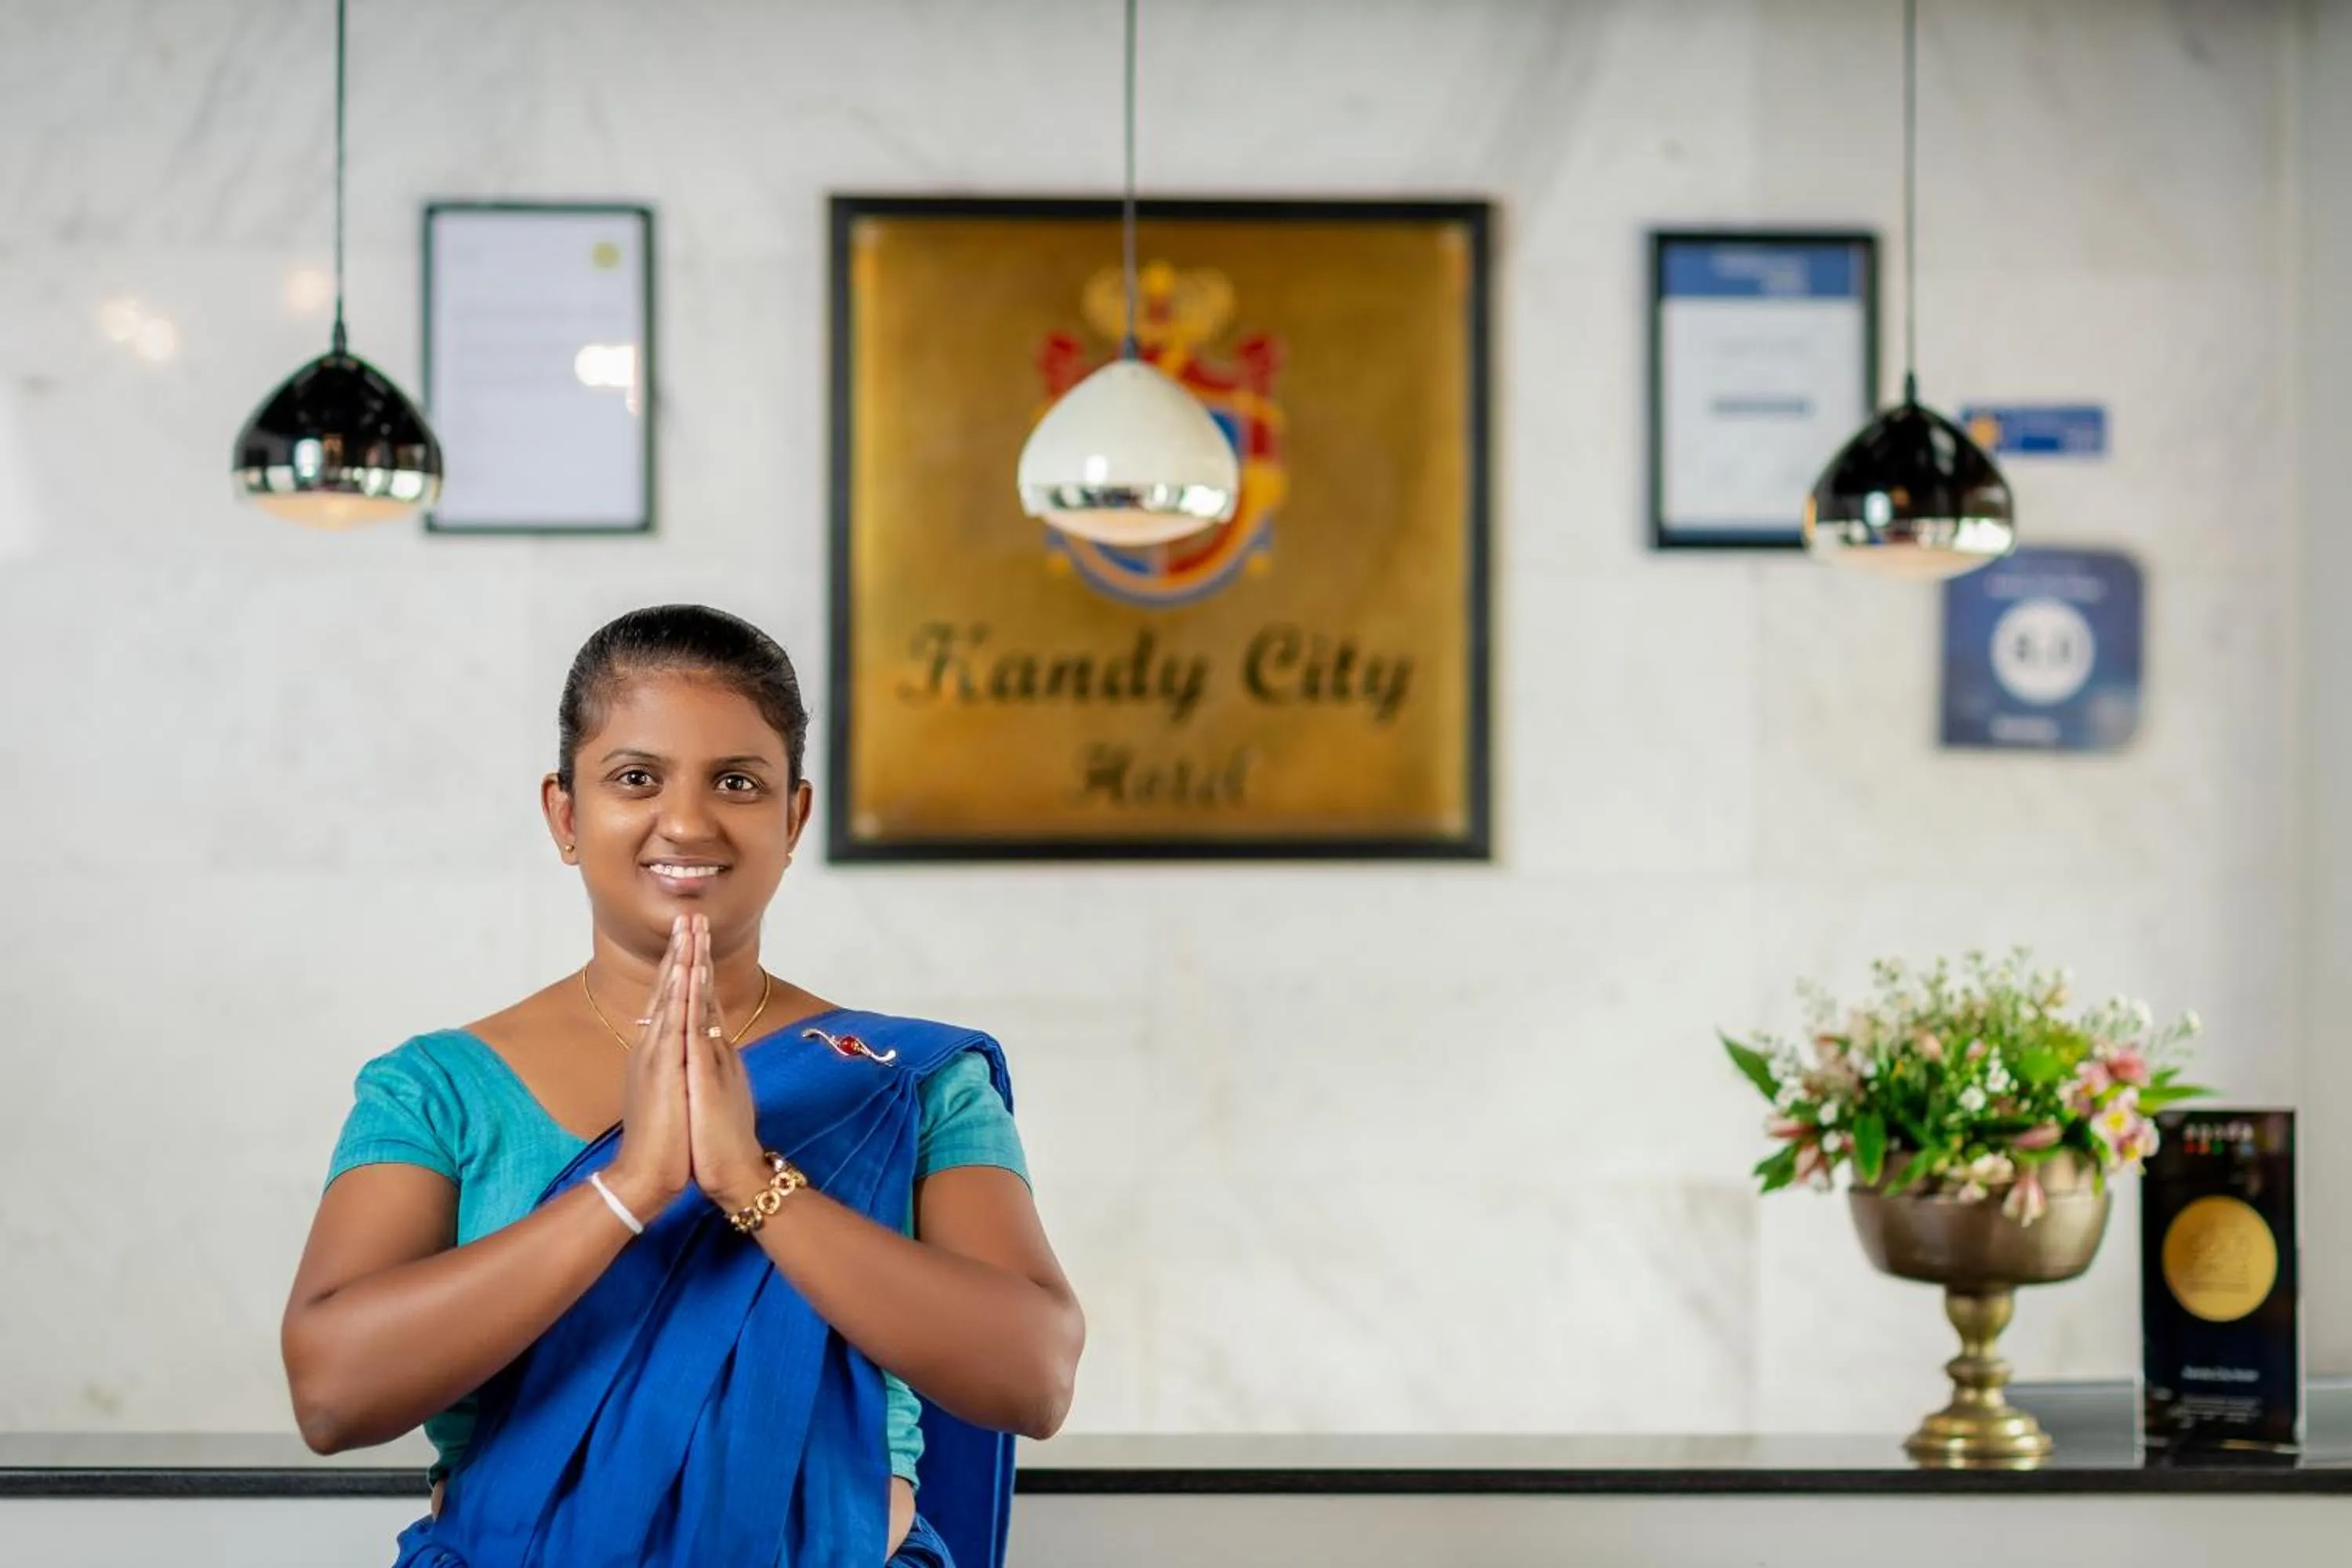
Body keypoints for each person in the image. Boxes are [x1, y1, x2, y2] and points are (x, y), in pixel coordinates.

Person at [281, 604, 1084, 1566]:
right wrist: (632, 1186)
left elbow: (1033, 1376)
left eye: (738, 781)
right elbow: (332, 1394)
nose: (689, 820)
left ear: (792, 817)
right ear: (566, 814)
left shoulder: (905, 1081)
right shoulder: (439, 1088)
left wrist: (753, 1181)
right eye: (636, 777)